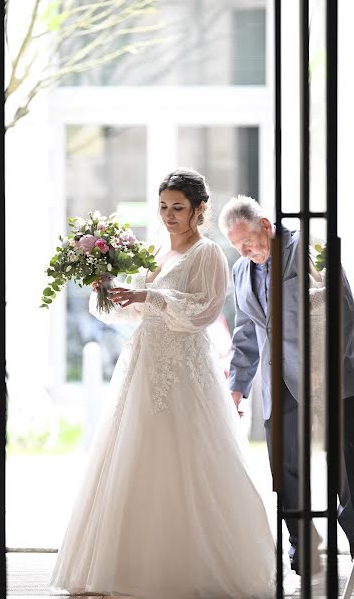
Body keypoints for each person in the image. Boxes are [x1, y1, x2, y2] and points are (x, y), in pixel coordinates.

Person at [49, 169, 281, 599]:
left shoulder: (208, 253)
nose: (169, 215)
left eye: (178, 208)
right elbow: (133, 312)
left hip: (184, 371)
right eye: (163, 207)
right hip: (142, 364)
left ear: (198, 210)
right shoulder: (157, 250)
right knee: (133, 457)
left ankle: (191, 564)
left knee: (186, 459)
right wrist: (108, 289)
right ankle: (127, 563)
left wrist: (148, 297)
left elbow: (204, 312)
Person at [218, 194, 354, 576]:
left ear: (265, 226)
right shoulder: (242, 270)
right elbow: (247, 331)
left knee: (345, 469)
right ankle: (302, 546)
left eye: (247, 242)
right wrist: (237, 386)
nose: (244, 252)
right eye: (236, 247)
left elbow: (343, 310)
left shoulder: (307, 247)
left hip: (328, 379)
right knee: (286, 469)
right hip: (277, 385)